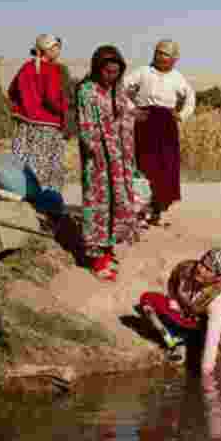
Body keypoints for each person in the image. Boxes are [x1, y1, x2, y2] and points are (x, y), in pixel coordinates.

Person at [75, 45, 142, 280]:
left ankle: (108, 248)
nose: (111, 76)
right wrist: (99, 154)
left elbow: (126, 116)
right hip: (99, 162)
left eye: (115, 72)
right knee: (99, 205)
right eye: (107, 72)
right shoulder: (87, 91)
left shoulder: (117, 91)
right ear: (97, 69)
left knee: (118, 204)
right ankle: (97, 258)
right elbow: (86, 127)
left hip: (119, 160)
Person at [121, 40, 195, 226]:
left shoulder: (178, 78)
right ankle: (142, 211)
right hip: (145, 122)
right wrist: (133, 110)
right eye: (158, 52)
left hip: (167, 125)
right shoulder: (143, 72)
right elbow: (120, 88)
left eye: (165, 54)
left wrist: (181, 115)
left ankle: (158, 210)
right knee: (145, 165)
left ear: (175, 59)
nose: (160, 57)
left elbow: (190, 98)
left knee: (166, 168)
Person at [137, 248, 221, 372]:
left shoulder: (218, 299)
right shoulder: (185, 269)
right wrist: (173, 301)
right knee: (147, 300)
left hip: (203, 324)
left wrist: (207, 378)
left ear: (217, 277)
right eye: (202, 263)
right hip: (185, 315)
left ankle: (197, 340)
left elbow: (212, 342)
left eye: (208, 270)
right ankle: (175, 342)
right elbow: (172, 282)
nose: (200, 269)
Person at [9, 34, 69, 192]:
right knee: (46, 165)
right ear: (47, 50)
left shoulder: (26, 68)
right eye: (56, 48)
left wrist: (23, 106)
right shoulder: (52, 70)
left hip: (25, 124)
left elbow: (12, 91)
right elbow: (52, 99)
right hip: (47, 126)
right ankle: (45, 199)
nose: (58, 51)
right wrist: (64, 110)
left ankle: (23, 193)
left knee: (25, 162)